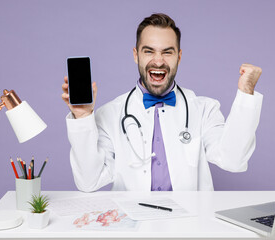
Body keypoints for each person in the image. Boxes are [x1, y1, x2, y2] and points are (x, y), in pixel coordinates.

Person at [61, 13, 263, 192]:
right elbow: (88, 182)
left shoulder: (204, 109)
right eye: (149, 51)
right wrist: (83, 118)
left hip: (190, 225)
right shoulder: (110, 114)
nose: (158, 61)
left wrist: (246, 93)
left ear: (179, 56)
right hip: (133, 226)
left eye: (167, 52)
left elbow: (234, 160)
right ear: (135, 55)